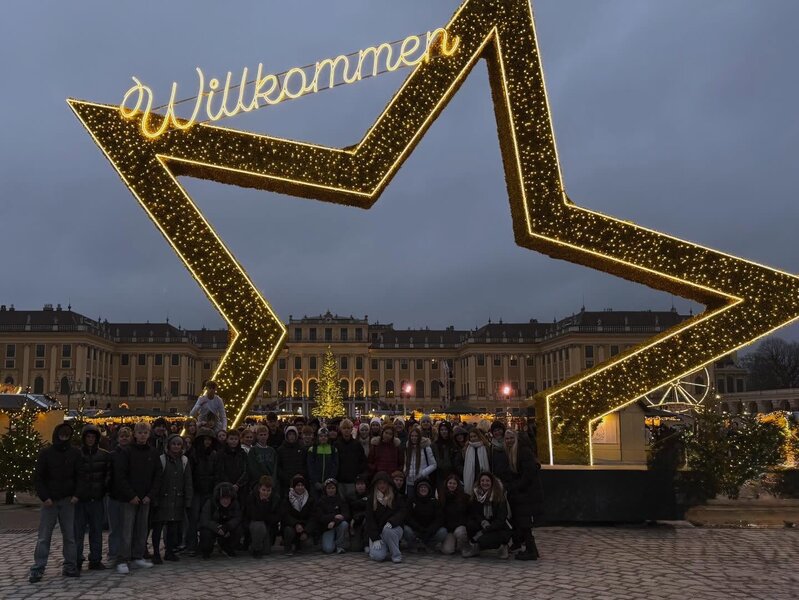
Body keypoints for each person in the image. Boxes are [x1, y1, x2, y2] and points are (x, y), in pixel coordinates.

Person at [28, 422, 81, 583]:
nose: (64, 437)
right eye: (62, 435)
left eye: (67, 435)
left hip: (68, 499)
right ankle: (38, 567)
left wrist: (76, 495)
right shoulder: (46, 453)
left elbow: (80, 475)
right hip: (50, 500)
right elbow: (39, 477)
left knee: (69, 536)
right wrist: (45, 497)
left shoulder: (75, 453)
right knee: (44, 536)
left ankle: (70, 565)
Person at [114, 421, 161, 574]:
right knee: (126, 530)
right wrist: (131, 495)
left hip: (146, 498)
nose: (142, 436)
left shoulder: (153, 453)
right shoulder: (127, 452)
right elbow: (120, 476)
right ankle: (123, 559)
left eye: (145, 433)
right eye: (140, 433)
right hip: (129, 498)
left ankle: (138, 556)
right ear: (135, 434)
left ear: (149, 434)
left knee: (142, 529)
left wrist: (150, 495)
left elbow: (157, 476)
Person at [74, 423, 112, 572]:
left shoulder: (104, 455)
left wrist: (104, 488)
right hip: (80, 499)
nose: (90, 439)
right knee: (78, 532)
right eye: (88, 437)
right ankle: (76, 559)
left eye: (93, 437)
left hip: (97, 498)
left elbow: (108, 474)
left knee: (96, 531)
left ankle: (95, 559)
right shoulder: (77, 454)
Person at [152, 434, 193, 563]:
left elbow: (188, 481)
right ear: (168, 445)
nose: (176, 446)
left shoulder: (184, 460)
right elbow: (157, 480)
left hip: (177, 498)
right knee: (158, 527)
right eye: (173, 444)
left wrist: (188, 500)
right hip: (162, 498)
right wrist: (155, 498)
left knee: (173, 528)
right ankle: (156, 553)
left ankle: (169, 551)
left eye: (178, 444)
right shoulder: (162, 459)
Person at [504, 430, 542, 561]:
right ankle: (531, 549)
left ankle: (531, 550)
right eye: (507, 438)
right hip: (522, 492)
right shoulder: (514, 452)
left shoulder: (523, 452)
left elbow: (528, 475)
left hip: (527, 492)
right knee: (523, 522)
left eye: (511, 438)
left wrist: (515, 486)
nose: (509, 441)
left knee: (525, 522)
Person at [462, 472, 512, 559]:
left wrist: (486, 529)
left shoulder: (499, 496)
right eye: (482, 481)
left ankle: (503, 546)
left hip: (498, 527)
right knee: (470, 525)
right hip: (484, 523)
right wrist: (482, 521)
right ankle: (475, 548)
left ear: (492, 482)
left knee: (484, 540)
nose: (485, 483)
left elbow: (501, 518)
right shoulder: (476, 494)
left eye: (487, 481)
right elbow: (475, 513)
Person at [186, 428, 217, 556]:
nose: (207, 442)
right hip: (196, 490)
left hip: (209, 490)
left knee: (206, 518)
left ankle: (205, 544)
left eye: (209, 440)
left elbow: (216, 472)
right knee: (193, 520)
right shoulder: (193, 454)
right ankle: (192, 546)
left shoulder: (214, 454)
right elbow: (190, 474)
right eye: (205, 439)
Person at [365, 471, 406, 563]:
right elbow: (370, 520)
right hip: (378, 532)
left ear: (388, 483)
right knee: (378, 557)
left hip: (394, 528)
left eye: (384, 483)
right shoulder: (371, 499)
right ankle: (384, 547)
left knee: (388, 531)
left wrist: (392, 521)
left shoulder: (396, 496)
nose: (382, 485)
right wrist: (375, 538)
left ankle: (396, 555)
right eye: (379, 483)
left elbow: (402, 512)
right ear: (376, 484)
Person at [107, 426, 132, 565]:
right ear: (117, 438)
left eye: (126, 436)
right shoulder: (112, 455)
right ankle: (113, 554)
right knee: (115, 527)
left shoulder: (133, 454)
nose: (124, 438)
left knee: (127, 528)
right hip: (114, 495)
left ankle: (126, 553)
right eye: (122, 436)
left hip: (129, 497)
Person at [199, 482, 242, 559]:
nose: (226, 501)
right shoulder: (210, 503)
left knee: (239, 529)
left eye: (228, 498)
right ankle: (206, 550)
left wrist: (227, 527)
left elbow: (237, 518)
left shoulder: (235, 503)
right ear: (218, 498)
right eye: (223, 498)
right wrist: (217, 527)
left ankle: (228, 547)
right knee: (205, 532)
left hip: (227, 528)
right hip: (214, 528)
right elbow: (205, 520)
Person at [402, 477, 446, 552]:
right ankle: (414, 545)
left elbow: (439, 518)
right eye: (421, 487)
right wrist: (419, 528)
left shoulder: (434, 502)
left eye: (425, 487)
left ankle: (429, 545)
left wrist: (430, 529)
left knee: (443, 532)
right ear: (417, 489)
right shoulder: (411, 500)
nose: (423, 489)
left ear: (429, 489)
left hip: (430, 531)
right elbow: (408, 517)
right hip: (416, 529)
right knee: (406, 529)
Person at [245, 476, 281, 558]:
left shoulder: (276, 498)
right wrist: (263, 504)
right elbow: (253, 515)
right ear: (259, 489)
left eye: (268, 491)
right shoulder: (251, 497)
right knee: (259, 525)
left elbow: (277, 517)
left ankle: (254, 546)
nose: (266, 493)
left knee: (266, 551)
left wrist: (265, 517)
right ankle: (256, 549)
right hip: (254, 524)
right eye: (263, 490)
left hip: (268, 525)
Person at [281, 475, 316, 555]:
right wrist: (296, 524)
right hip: (292, 526)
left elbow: (313, 517)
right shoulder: (287, 498)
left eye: (302, 485)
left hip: (304, 527)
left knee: (308, 544)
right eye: (298, 485)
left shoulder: (310, 499)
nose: (300, 487)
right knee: (288, 531)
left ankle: (299, 546)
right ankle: (288, 548)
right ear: (294, 487)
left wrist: (306, 531)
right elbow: (285, 515)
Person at [315, 478, 350, 554]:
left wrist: (334, 521)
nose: (331, 490)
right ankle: (330, 542)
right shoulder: (321, 501)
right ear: (325, 489)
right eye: (328, 488)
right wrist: (334, 516)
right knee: (328, 549)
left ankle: (339, 545)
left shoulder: (341, 499)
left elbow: (346, 515)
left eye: (333, 488)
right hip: (327, 528)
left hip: (338, 525)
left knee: (344, 524)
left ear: (336, 489)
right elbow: (320, 518)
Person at [334, 418, 367, 499]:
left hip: (353, 480)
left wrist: (359, 474)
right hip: (340, 480)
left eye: (348, 428)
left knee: (352, 501)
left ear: (351, 429)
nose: (346, 430)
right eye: (344, 428)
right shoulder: (336, 444)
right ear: (341, 429)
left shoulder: (357, 444)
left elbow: (362, 460)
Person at [439, 473, 469, 555]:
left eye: (454, 483)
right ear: (446, 484)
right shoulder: (442, 497)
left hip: (460, 527)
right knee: (447, 550)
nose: (452, 485)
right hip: (449, 529)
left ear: (457, 485)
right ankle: (451, 543)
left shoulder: (464, 497)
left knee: (460, 533)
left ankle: (463, 546)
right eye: (450, 483)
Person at [404, 426, 436, 499]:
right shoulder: (408, 448)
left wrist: (422, 473)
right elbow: (406, 462)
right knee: (410, 501)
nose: (414, 438)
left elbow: (433, 465)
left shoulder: (426, 448)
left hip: (421, 481)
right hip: (409, 481)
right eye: (412, 436)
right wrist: (405, 470)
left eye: (416, 436)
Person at [217, 429, 249, 504]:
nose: (233, 441)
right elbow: (220, 470)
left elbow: (246, 470)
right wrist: (230, 484)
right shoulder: (221, 453)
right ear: (227, 440)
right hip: (226, 486)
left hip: (241, 487)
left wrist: (238, 484)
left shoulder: (242, 453)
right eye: (231, 439)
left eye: (235, 439)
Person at [307, 427, 339, 496]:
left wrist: (329, 481)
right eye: (321, 436)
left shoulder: (333, 450)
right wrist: (315, 481)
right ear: (318, 437)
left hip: (329, 484)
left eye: (325, 436)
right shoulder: (312, 449)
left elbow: (335, 466)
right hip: (315, 483)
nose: (323, 438)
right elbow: (310, 467)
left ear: (328, 438)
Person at [277, 425, 306, 494]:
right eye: (290, 434)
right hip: (286, 482)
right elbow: (278, 466)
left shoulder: (302, 448)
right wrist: (285, 477)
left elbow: (305, 464)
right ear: (286, 436)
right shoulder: (281, 450)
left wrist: (301, 475)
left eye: (293, 434)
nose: (292, 436)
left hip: (300, 482)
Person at [433, 421, 459, 497]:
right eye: (441, 430)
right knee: (441, 494)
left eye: (445, 430)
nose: (443, 432)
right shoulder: (435, 444)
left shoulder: (454, 444)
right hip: (439, 473)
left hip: (451, 472)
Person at [462, 428, 490, 496]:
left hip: (482, 475)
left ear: (479, 436)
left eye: (475, 436)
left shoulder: (485, 447)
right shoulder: (467, 448)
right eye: (471, 437)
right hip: (471, 476)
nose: (473, 438)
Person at [346, 474, 370, 552]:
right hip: (355, 524)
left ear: (365, 485)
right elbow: (347, 512)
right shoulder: (350, 496)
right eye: (358, 484)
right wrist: (351, 522)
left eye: (362, 484)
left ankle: (367, 544)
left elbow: (370, 511)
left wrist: (357, 517)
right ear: (355, 485)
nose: (360, 486)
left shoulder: (370, 496)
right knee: (355, 548)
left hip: (366, 522)